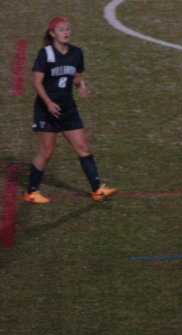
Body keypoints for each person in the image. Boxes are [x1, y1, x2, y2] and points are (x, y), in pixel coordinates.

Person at [23, 17, 116, 204]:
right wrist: (49, 103)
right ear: (52, 33)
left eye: (67, 29)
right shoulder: (46, 53)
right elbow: (37, 82)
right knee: (46, 152)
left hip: (68, 108)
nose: (65, 32)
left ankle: (97, 190)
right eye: (61, 29)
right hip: (47, 110)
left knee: (83, 148)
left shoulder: (76, 52)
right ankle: (31, 192)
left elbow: (77, 75)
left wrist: (81, 85)